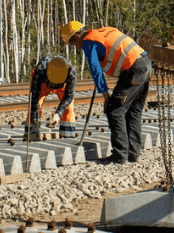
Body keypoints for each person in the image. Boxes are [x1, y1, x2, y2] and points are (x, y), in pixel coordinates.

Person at [60, 21, 152, 164]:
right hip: (145, 64)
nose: (77, 47)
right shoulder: (104, 31)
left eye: (73, 44)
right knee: (133, 111)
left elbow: (96, 70)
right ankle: (133, 154)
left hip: (132, 69)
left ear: (77, 37)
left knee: (114, 110)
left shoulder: (88, 42)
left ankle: (120, 155)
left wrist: (105, 95)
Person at [27, 55, 77, 140]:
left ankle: (68, 137)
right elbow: (34, 98)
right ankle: (32, 135)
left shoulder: (71, 72)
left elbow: (69, 97)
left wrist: (57, 115)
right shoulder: (40, 69)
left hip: (62, 87)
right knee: (36, 105)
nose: (54, 86)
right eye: (53, 83)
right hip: (43, 85)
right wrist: (34, 122)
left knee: (68, 108)